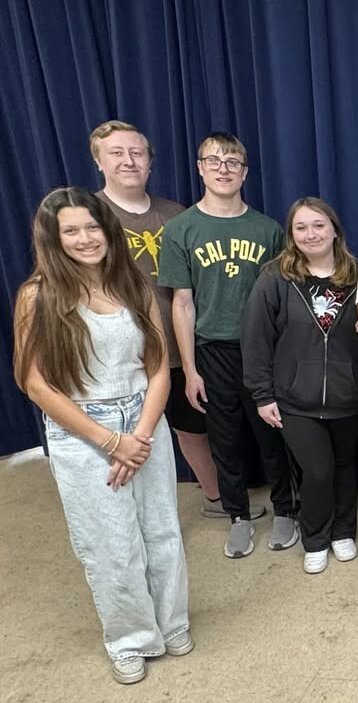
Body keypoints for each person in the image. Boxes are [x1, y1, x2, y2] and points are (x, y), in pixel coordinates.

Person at [14, 187, 191, 685]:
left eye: (92, 227)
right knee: (110, 543)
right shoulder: (39, 295)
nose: (85, 238)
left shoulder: (133, 283)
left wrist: (138, 434)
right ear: (54, 237)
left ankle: (171, 621)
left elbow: (159, 367)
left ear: (108, 230)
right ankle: (130, 638)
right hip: (82, 430)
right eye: (71, 230)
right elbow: (34, 382)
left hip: (144, 419)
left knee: (161, 530)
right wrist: (111, 443)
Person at [89, 120, 264, 520]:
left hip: (179, 342)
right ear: (99, 161)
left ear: (151, 162)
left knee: (192, 426)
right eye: (117, 153)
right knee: (123, 427)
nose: (129, 161)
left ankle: (215, 496)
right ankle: (121, 506)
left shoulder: (175, 214)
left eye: (137, 153)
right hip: (119, 346)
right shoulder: (90, 215)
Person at [158, 132, 296, 559]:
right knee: (225, 438)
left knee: (272, 435)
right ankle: (237, 515)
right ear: (199, 167)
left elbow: (281, 300)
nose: (223, 168)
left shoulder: (268, 229)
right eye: (213, 160)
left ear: (245, 172)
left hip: (261, 349)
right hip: (210, 350)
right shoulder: (181, 229)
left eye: (232, 161)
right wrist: (190, 368)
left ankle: (286, 509)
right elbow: (181, 303)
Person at [243, 198, 358, 574]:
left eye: (318, 225)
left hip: (349, 395)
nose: (310, 234)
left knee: (346, 466)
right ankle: (315, 537)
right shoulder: (275, 278)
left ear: (334, 230)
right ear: (292, 234)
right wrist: (262, 394)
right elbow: (256, 338)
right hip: (296, 399)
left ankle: (344, 532)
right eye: (301, 227)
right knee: (316, 471)